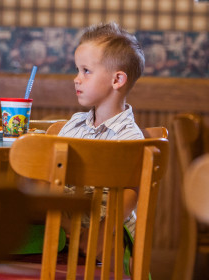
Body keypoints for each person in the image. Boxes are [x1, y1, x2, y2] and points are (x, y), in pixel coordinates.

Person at [58, 21, 145, 269]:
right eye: (77, 70)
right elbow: (52, 176)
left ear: (117, 79)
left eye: (86, 71)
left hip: (108, 237)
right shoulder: (74, 126)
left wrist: (100, 232)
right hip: (66, 228)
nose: (76, 79)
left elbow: (132, 192)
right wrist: (64, 226)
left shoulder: (128, 136)